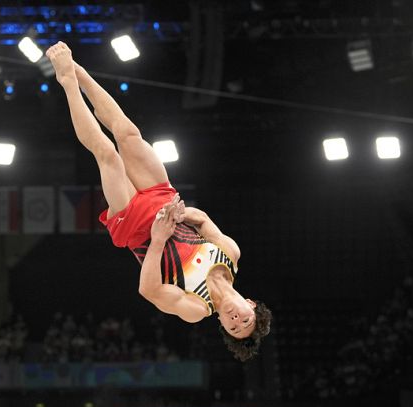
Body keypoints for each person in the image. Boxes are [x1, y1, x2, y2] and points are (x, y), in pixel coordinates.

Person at [46, 42, 272, 360]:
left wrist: (158, 239)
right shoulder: (230, 254)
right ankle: (82, 73)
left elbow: (149, 290)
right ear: (250, 303)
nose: (236, 320)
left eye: (233, 327)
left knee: (108, 155)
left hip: (138, 229)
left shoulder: (197, 308)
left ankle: (67, 80)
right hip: (163, 200)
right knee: (128, 134)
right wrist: (181, 214)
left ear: (222, 324)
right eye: (244, 320)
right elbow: (204, 220)